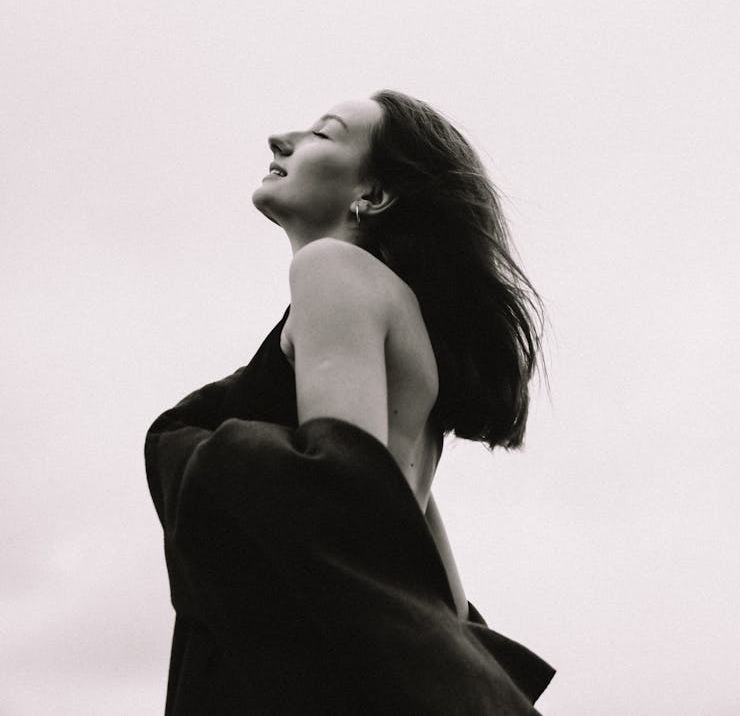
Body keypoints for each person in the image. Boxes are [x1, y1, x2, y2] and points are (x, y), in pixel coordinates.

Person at [145, 90, 555, 715]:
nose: (280, 139)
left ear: (373, 196)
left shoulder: (330, 267)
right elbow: (442, 608)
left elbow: (328, 508)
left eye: (323, 134)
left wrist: (191, 448)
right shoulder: (407, 350)